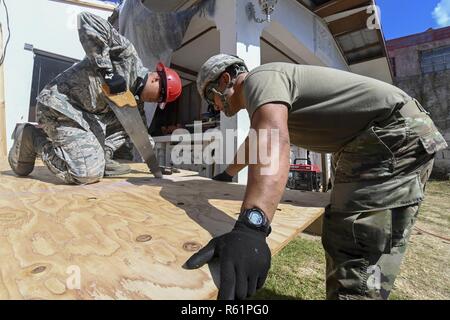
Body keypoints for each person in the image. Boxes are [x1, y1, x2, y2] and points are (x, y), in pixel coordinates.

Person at [184, 54, 448, 300]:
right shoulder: (265, 92)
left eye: (211, 100)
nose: (215, 107)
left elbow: (272, 140)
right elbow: (255, 142)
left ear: (225, 81)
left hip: (389, 136)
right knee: (345, 233)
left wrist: (251, 228)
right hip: (379, 137)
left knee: (356, 242)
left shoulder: (258, 79)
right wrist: (227, 175)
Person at [8, 12, 182, 184]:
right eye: (160, 96)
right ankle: (31, 137)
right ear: (155, 79)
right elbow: (85, 19)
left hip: (84, 117)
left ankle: (101, 156)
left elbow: (143, 137)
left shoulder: (135, 104)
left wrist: (157, 168)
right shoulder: (126, 56)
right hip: (60, 107)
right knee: (86, 174)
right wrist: (108, 72)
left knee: (130, 126)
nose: (156, 101)